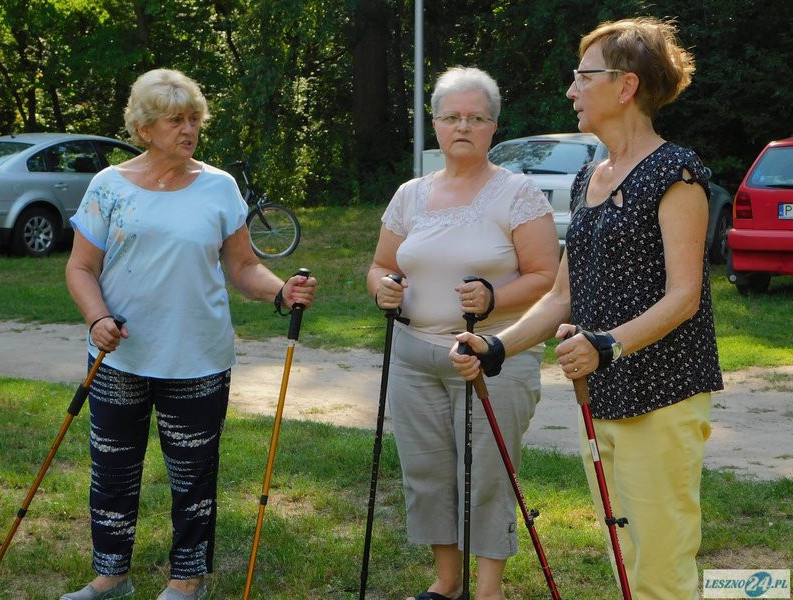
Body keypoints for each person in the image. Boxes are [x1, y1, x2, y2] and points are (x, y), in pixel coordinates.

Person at [451, 18, 723, 600]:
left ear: (626, 86)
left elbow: (684, 296)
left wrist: (608, 344)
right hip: (599, 394)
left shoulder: (676, 174)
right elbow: (561, 296)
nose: (571, 90)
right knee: (623, 555)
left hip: (663, 392)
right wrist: (498, 346)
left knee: (661, 563)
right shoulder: (589, 178)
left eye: (583, 76)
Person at [63, 68, 317, 600]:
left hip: (198, 357)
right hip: (118, 355)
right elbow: (81, 267)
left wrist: (280, 291)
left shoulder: (218, 187)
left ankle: (187, 580)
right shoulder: (108, 186)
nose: (189, 129)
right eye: (175, 120)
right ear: (144, 128)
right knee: (112, 471)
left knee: (194, 477)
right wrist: (97, 317)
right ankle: (111, 575)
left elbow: (243, 266)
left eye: (194, 118)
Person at [368, 66, 559, 600]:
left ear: (493, 127)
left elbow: (547, 277)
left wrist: (495, 298)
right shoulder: (410, 195)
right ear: (435, 124)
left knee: (489, 472)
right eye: (452, 117)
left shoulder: (518, 194)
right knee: (427, 472)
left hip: (492, 354)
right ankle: (448, 582)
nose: (463, 127)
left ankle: (488, 588)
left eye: (476, 118)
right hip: (413, 354)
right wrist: (383, 288)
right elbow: (381, 265)